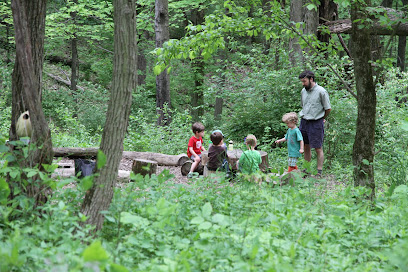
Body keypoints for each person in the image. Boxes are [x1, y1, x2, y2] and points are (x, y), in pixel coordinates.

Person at [298, 70, 331, 177]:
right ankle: (306, 170)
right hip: (304, 122)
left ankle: (319, 172)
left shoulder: (321, 91)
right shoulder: (303, 91)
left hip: (316, 122)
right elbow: (303, 105)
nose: (303, 84)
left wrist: (322, 118)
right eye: (302, 82)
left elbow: (328, 108)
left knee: (318, 147)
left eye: (304, 81)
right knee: (306, 146)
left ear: (311, 79)